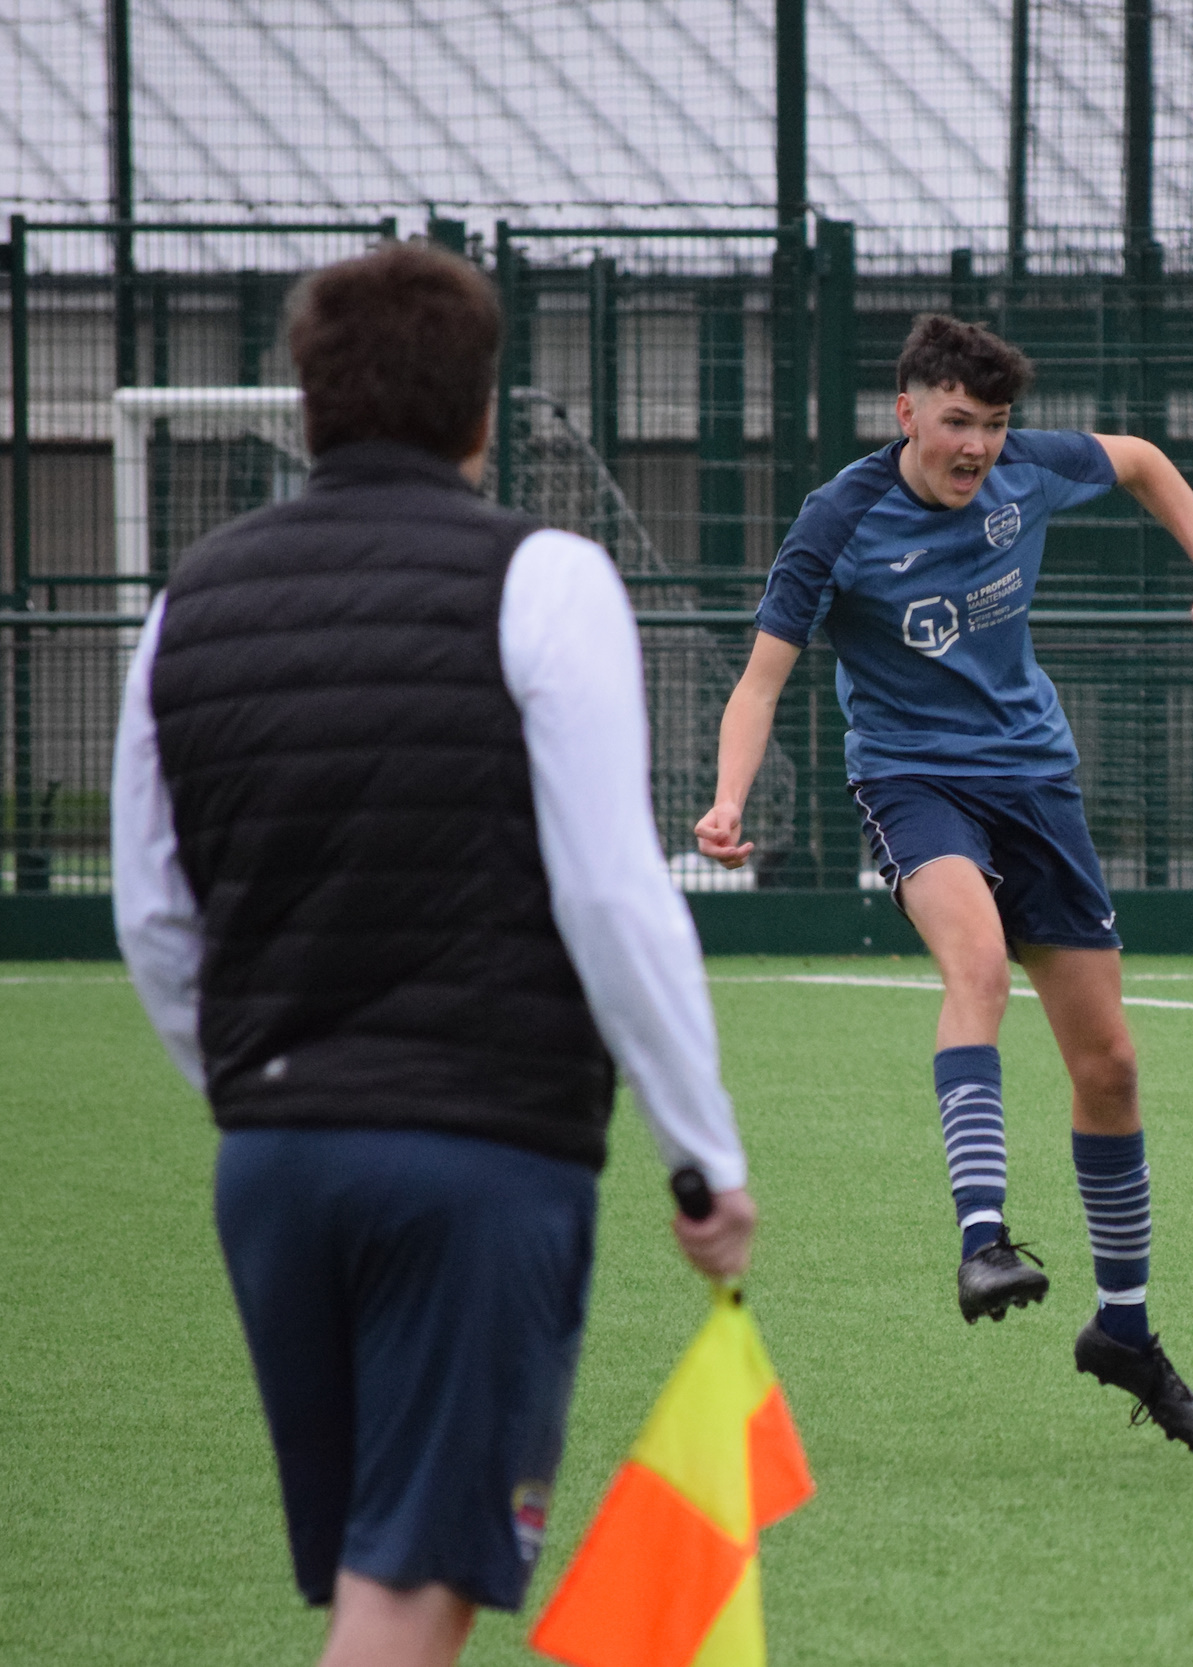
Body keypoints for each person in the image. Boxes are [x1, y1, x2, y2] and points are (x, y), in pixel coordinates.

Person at [110, 240, 757, 1667]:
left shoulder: (183, 605)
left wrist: (262, 1077)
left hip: (273, 1161)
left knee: (373, 1570)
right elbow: (613, 893)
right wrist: (702, 1153)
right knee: (411, 1592)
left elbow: (154, 917)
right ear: (484, 409)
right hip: (478, 1154)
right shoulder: (550, 578)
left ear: (306, 402)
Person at [695, 313, 1193, 1454]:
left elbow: (1140, 457)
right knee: (979, 963)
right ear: (905, 412)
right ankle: (983, 1235)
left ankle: (1127, 1330)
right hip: (909, 781)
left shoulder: (1028, 472)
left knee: (1111, 1062)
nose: (978, 447)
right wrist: (728, 799)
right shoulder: (839, 520)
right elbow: (758, 686)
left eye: (993, 425)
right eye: (957, 422)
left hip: (1035, 780)